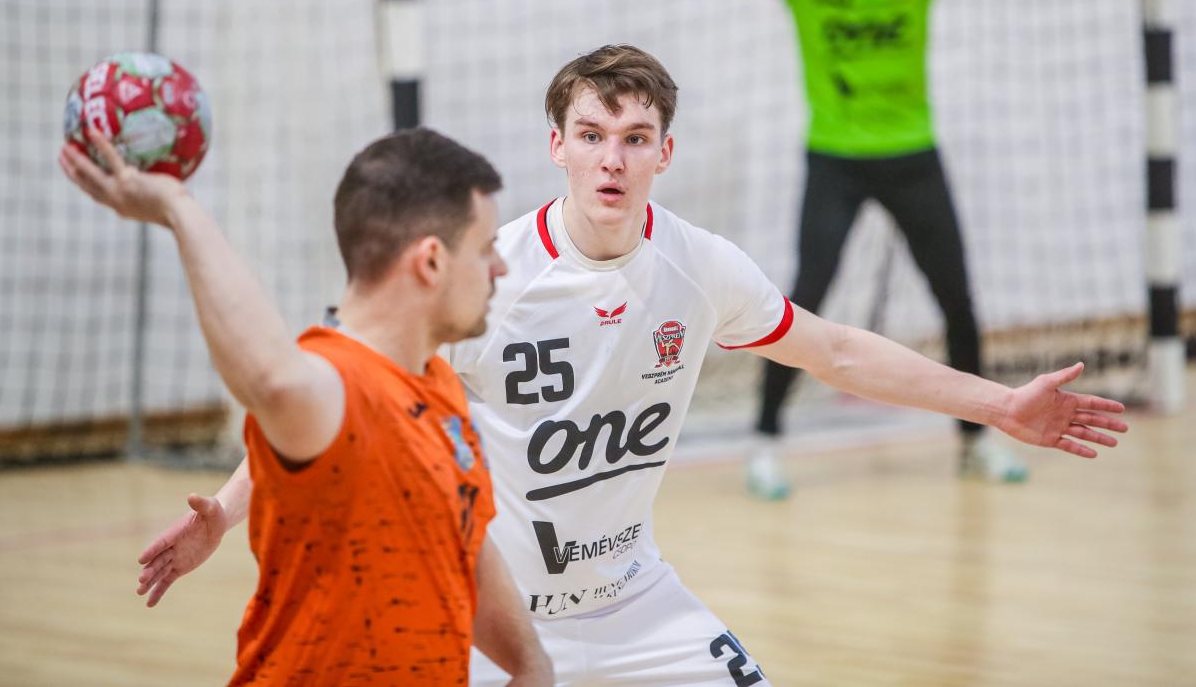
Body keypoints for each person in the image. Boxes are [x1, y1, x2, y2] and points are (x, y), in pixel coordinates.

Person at [136, 46, 1126, 686]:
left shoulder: (697, 266)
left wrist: (997, 404)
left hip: (635, 603)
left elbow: (833, 348)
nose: (611, 158)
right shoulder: (486, 277)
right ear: (557, 146)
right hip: (491, 626)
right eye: (592, 136)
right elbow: (339, 387)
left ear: (663, 152)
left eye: (634, 138)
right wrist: (222, 512)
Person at [62, 127, 551, 685]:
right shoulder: (337, 378)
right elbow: (276, 383)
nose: (500, 268)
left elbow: (464, 543)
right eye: (485, 249)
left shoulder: (437, 381)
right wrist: (179, 208)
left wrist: (530, 663)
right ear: (432, 261)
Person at [692, 0, 1034, 497]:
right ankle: (764, 443)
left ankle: (976, 440)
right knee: (804, 299)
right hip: (836, 160)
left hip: (913, 156)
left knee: (956, 297)